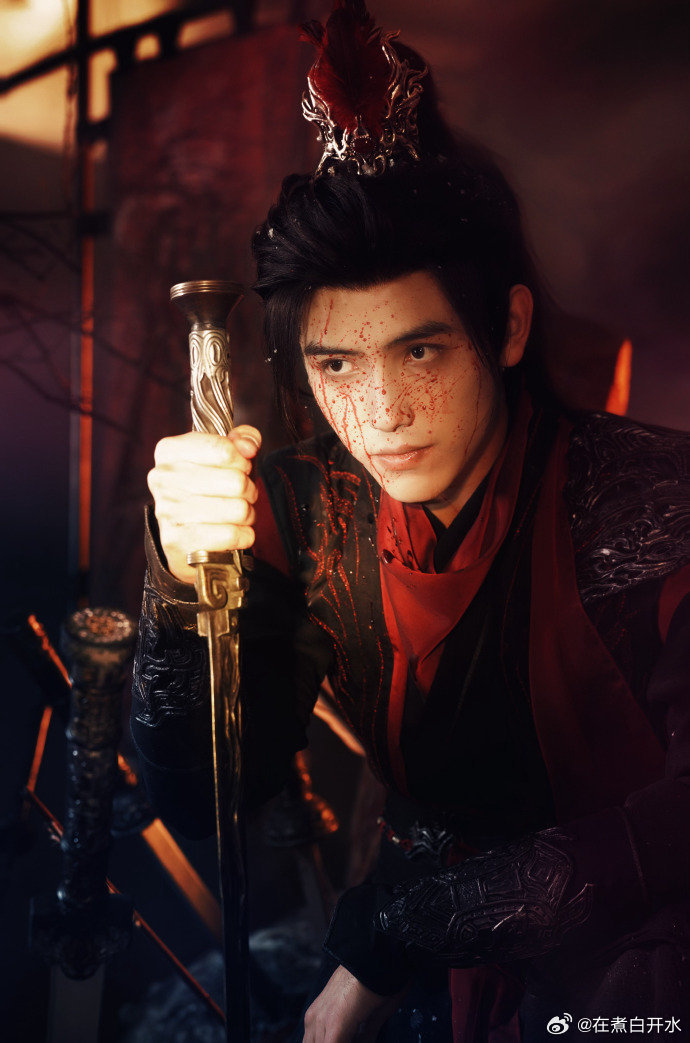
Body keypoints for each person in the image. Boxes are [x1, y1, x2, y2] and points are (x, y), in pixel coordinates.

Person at [131, 2, 690, 1039]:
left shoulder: (660, 502)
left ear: (507, 328)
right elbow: (205, 794)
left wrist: (396, 934)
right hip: (422, 974)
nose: (381, 413)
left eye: (420, 350)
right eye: (338, 363)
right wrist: (177, 576)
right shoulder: (301, 505)